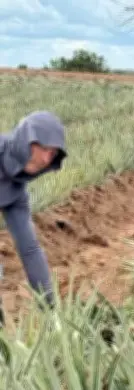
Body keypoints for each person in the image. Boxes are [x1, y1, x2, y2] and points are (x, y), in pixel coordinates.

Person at [0, 111, 68, 324]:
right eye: (44, 149)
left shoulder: (16, 193)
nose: (47, 159)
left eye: (53, 153)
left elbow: (29, 250)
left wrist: (50, 309)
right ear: (25, 141)